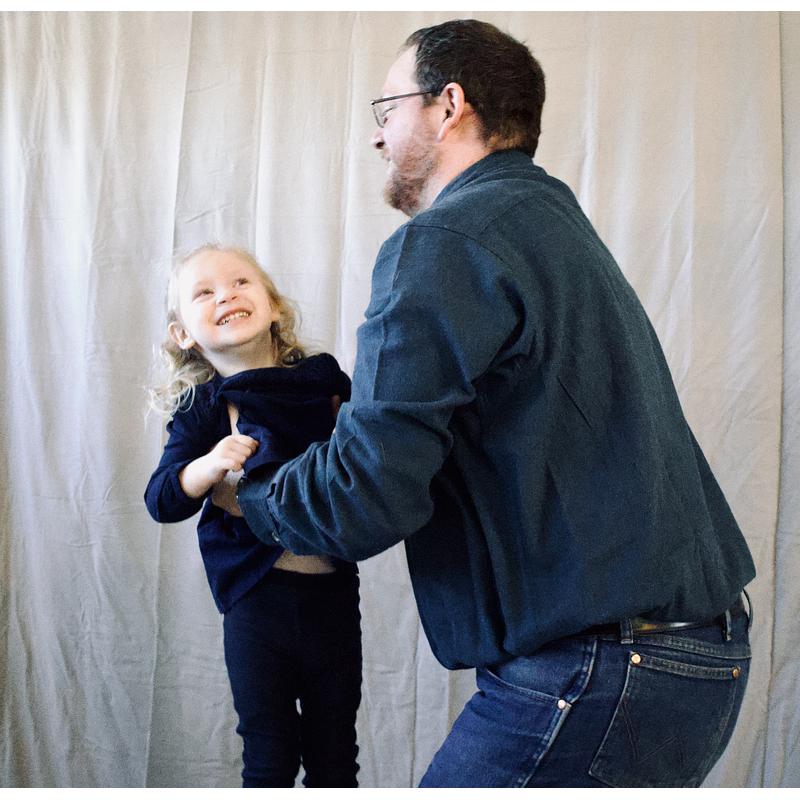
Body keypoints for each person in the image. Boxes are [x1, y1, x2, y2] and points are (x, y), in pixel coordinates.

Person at [229, 20, 756, 787]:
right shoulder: (546, 219)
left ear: (449, 105)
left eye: (388, 110)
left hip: (601, 666)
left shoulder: (444, 241)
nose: (377, 136)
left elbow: (366, 497)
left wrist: (250, 494)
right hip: (696, 656)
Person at [144, 244, 361, 788]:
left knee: (335, 754)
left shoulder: (321, 382)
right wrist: (208, 465)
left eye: (241, 282)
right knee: (268, 756)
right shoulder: (204, 407)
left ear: (274, 306)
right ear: (183, 334)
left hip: (332, 595)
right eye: (205, 292)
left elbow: (365, 452)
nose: (226, 295)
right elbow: (161, 498)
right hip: (255, 603)